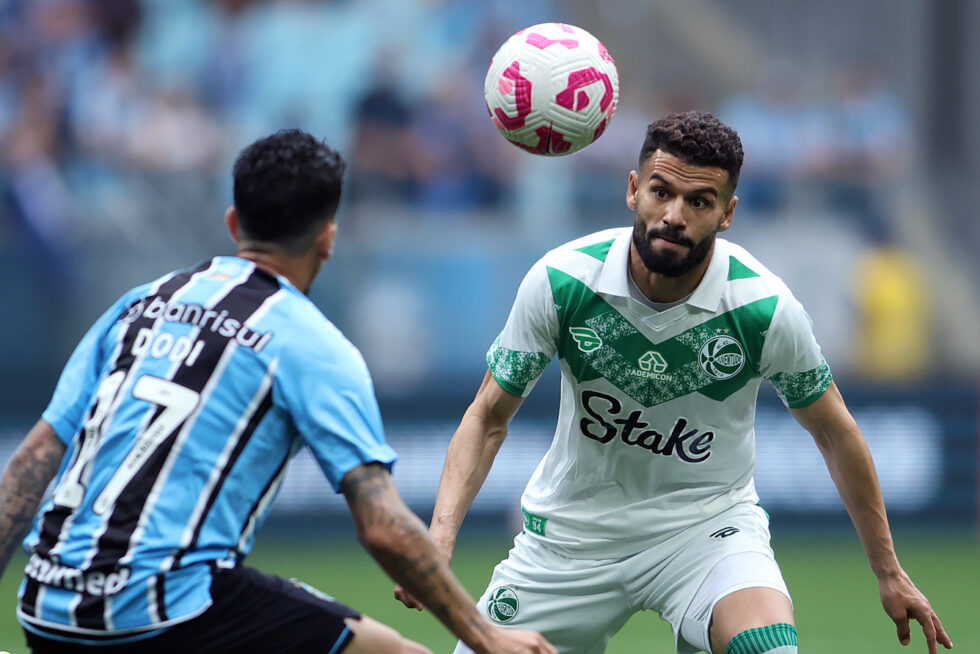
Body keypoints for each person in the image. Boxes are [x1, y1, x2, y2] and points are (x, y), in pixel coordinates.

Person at [395, 111, 953, 654]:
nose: (674, 214)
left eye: (699, 201)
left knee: (766, 646)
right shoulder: (562, 280)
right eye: (662, 191)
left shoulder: (763, 309)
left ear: (728, 213)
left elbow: (836, 433)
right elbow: (488, 417)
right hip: (571, 536)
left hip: (706, 528)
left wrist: (889, 571)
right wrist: (438, 540)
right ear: (633, 189)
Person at [0, 129, 556, 654]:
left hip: (45, 607)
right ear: (328, 238)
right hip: (163, 609)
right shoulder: (310, 343)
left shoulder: (137, 305)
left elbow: (33, 461)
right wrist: (485, 636)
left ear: (234, 220)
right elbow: (383, 527)